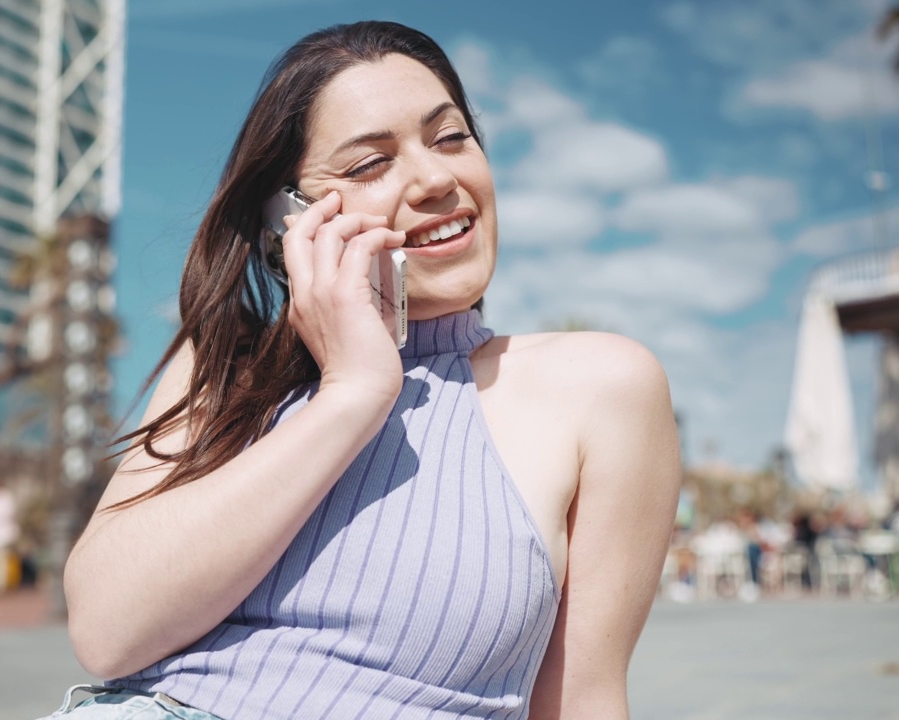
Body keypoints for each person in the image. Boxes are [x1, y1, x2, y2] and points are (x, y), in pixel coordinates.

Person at [50, 21, 680, 720]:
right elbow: (107, 635)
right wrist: (351, 395)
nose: (437, 179)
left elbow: (583, 699)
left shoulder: (597, 384)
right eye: (368, 164)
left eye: (450, 138)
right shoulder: (225, 365)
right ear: (287, 218)